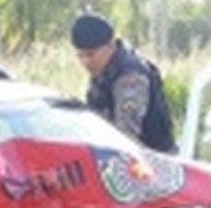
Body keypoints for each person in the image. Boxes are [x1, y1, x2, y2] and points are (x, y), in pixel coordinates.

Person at [70, 12, 176, 153]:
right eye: (80, 55)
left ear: (110, 45)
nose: (86, 62)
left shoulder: (130, 78)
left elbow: (125, 136)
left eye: (91, 54)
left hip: (151, 162)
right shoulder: (105, 70)